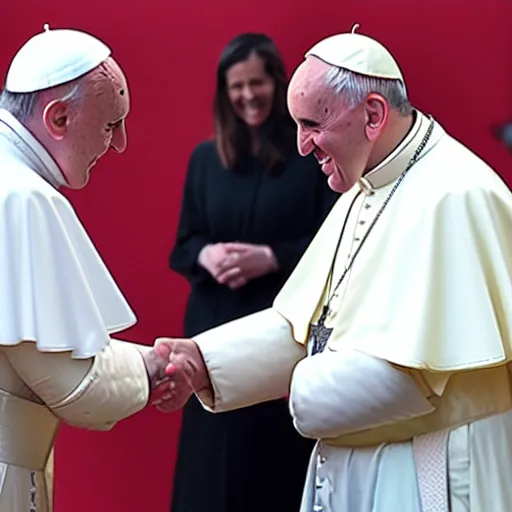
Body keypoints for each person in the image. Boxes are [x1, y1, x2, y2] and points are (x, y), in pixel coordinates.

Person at [153, 24, 512, 512]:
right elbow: (307, 323)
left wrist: (297, 388)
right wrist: (201, 360)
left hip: (427, 471)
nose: (302, 146)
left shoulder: (458, 194)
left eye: (312, 125)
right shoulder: (363, 185)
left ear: (372, 114)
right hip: (356, 468)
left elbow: (410, 377)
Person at [0, 25, 174, 511]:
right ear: (58, 117)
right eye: (110, 124)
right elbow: (82, 387)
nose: (119, 144)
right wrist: (160, 364)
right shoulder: (22, 199)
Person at [168, 33, 338, 512]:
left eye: (256, 83)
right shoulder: (205, 159)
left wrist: (272, 258)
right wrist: (206, 256)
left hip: (277, 336)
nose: (247, 95)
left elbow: (336, 246)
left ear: (277, 84)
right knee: (209, 468)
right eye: (236, 86)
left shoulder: (311, 159)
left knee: (270, 467)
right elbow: (184, 244)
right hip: (212, 328)